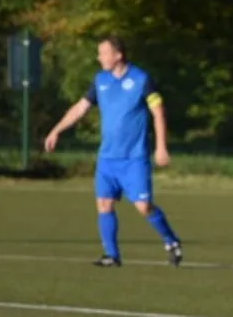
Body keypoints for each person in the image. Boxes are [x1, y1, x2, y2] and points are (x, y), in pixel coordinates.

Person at [44, 35, 182, 268]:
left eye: (103, 53)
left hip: (134, 159)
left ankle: (171, 241)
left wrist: (161, 146)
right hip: (107, 159)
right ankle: (111, 255)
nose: (99, 58)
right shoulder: (100, 80)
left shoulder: (141, 79)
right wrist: (56, 130)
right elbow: (80, 108)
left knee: (144, 207)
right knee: (104, 204)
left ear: (118, 55)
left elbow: (158, 112)